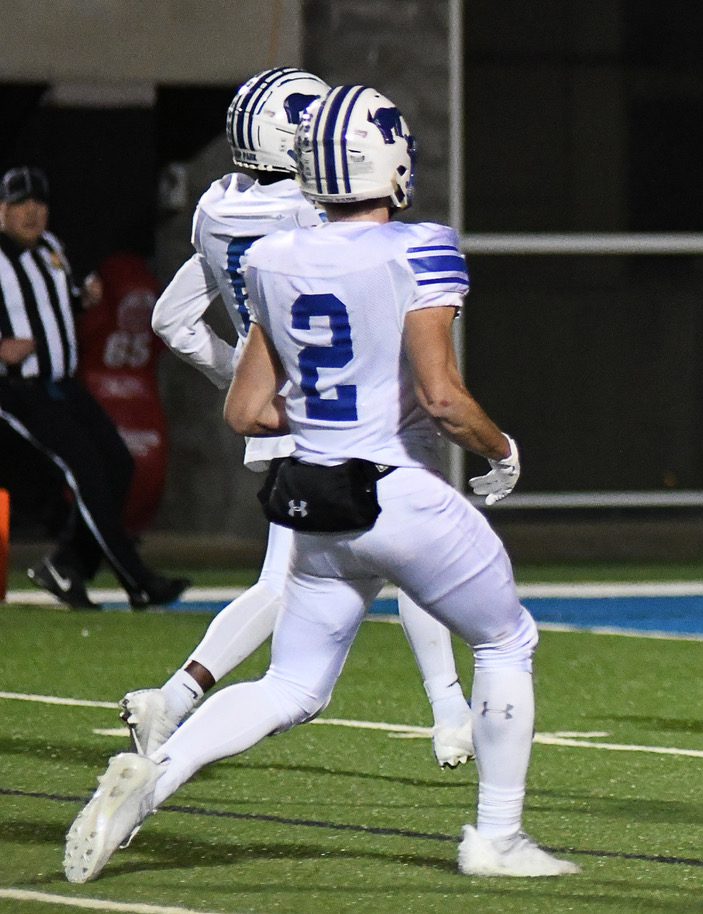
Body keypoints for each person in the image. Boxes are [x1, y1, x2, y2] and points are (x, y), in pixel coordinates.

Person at [64, 84, 579, 883]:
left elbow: (245, 409)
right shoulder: (420, 246)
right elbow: (442, 398)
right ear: (388, 160)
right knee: (506, 638)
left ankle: (153, 777)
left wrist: (321, 421)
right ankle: (497, 837)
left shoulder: (273, 258)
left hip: (314, 499)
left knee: (291, 684)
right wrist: (501, 450)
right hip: (394, 489)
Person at [123, 68, 474, 773]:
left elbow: (171, 320)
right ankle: (449, 712)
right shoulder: (311, 217)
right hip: (344, 410)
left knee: (287, 582)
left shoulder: (216, 207)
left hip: (279, 414)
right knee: (411, 551)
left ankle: (175, 697)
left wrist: (241, 380)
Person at [0, 165, 189, 609]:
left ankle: (67, 565)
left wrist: (82, 298)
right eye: (20, 203)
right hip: (20, 390)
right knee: (87, 471)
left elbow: (54, 302)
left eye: (39, 202)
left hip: (63, 384)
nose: (32, 212)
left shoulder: (50, 247)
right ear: (2, 210)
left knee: (118, 464)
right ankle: (138, 579)